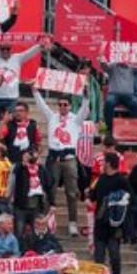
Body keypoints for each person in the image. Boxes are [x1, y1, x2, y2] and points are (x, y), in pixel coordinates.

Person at [34, 92, 90, 235]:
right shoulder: (52, 117)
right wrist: (35, 91)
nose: (62, 107)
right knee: (50, 191)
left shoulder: (75, 119)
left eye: (65, 105)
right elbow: (41, 106)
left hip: (69, 158)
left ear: (70, 106)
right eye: (60, 104)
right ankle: (47, 222)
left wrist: (85, 97)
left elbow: (84, 111)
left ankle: (72, 222)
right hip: (54, 159)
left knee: (72, 192)